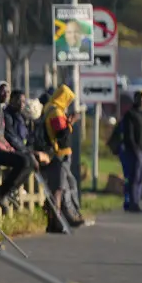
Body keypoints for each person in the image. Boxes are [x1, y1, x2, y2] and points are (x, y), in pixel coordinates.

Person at [41, 84, 85, 232]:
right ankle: (57, 222)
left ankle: (57, 221)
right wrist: (71, 122)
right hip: (60, 154)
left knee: (60, 187)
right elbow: (61, 134)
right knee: (58, 189)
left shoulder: (49, 108)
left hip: (58, 154)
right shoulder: (56, 112)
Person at [117, 91, 142, 215]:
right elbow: (129, 136)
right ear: (137, 100)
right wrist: (135, 150)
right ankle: (132, 203)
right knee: (133, 178)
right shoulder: (130, 115)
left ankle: (135, 201)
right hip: (133, 152)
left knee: (139, 178)